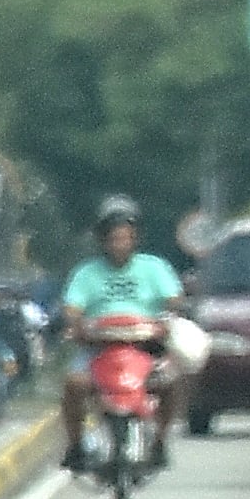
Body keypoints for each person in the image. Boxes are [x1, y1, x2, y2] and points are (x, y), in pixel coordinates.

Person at [59, 196, 192, 470]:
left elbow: (174, 301)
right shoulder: (86, 274)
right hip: (98, 349)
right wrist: (77, 325)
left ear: (135, 238)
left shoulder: (154, 268)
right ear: (102, 240)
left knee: (170, 382)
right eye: (113, 238)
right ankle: (75, 445)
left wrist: (167, 320)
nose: (119, 244)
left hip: (144, 349)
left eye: (125, 238)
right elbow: (72, 309)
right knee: (74, 385)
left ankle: (159, 442)